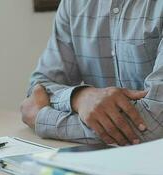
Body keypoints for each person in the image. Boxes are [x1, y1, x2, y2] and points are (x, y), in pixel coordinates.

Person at [21, 0, 163, 146]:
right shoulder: (73, 4)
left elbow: (155, 125)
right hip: (96, 161)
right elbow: (39, 88)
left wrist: (44, 119)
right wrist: (79, 97)